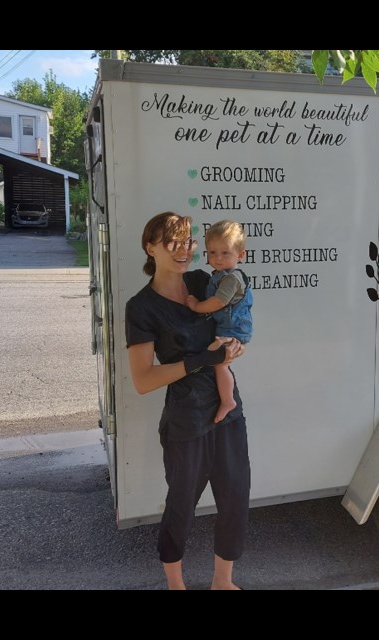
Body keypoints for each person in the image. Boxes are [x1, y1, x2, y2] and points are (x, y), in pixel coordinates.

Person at [124, 211, 250, 590]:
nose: (185, 250)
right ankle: (175, 585)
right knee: (181, 508)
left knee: (235, 499)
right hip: (187, 420)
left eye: (188, 241)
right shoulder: (141, 307)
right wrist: (198, 361)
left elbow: (235, 310)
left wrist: (236, 343)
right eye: (173, 242)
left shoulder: (203, 280)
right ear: (151, 248)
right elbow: (144, 380)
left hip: (228, 411)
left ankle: (222, 582)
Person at [186, 220, 253, 424]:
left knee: (219, 361)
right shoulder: (219, 275)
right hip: (228, 326)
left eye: (225, 253)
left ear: (240, 255)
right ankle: (225, 397)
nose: (217, 258)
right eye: (212, 253)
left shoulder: (232, 279)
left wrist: (196, 306)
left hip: (234, 329)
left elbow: (218, 302)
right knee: (217, 360)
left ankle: (227, 400)